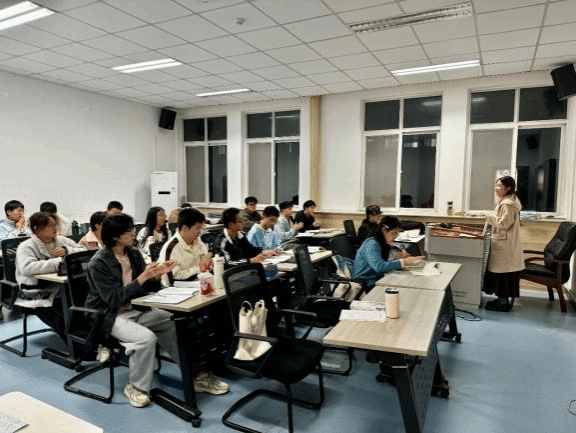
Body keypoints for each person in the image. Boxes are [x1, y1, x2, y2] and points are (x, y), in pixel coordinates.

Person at [15, 212, 86, 339]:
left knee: (81, 305)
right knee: (60, 316)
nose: (55, 228)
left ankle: (86, 338)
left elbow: (83, 251)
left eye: (55, 225)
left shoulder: (61, 240)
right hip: (35, 291)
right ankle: (77, 344)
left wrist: (68, 250)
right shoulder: (26, 246)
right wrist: (60, 262)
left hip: (61, 287)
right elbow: (27, 268)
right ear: (37, 229)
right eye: (50, 226)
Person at [482, 176, 524, 312]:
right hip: (506, 242)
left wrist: (489, 217)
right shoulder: (510, 200)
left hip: (505, 245)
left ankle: (503, 303)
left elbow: (504, 223)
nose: (496, 188)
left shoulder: (507, 204)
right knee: (502, 274)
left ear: (508, 188)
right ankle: (501, 300)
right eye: (496, 185)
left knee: (502, 275)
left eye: (499, 186)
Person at [354, 216, 424, 290]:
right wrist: (403, 262)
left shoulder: (382, 243)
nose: (395, 238)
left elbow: (383, 262)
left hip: (376, 278)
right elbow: (379, 267)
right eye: (393, 233)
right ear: (384, 230)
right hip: (366, 282)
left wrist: (397, 258)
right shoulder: (371, 244)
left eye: (397, 234)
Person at [158, 207, 212, 287]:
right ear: (184, 228)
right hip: (177, 290)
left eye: (201, 228)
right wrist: (199, 269)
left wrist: (208, 265)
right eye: (197, 228)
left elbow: (204, 264)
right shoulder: (171, 248)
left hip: (198, 283)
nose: (200, 232)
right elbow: (172, 280)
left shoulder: (197, 241)